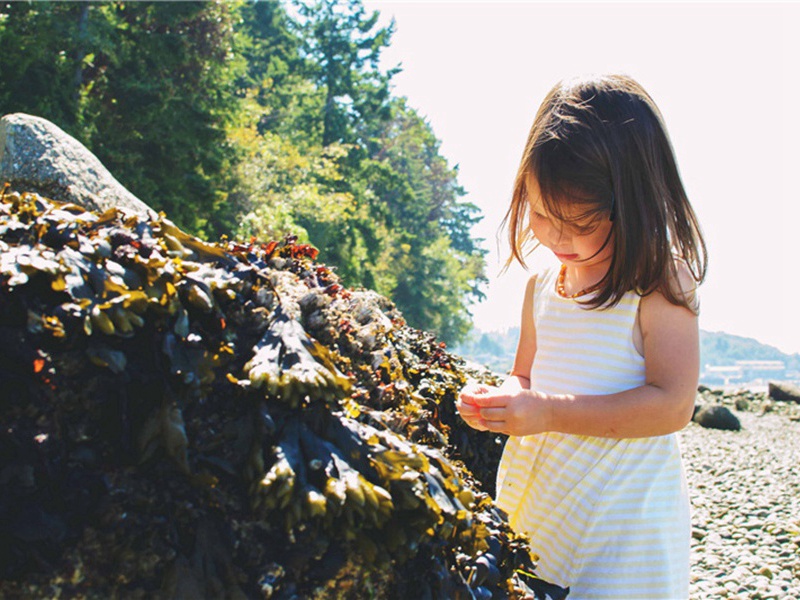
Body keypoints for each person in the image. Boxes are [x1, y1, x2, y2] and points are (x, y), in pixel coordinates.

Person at [457, 74, 707, 599]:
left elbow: (672, 405)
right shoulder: (542, 285)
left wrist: (547, 412)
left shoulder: (659, 281)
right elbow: (525, 374)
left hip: (625, 526)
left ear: (633, 203)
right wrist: (503, 399)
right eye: (543, 214)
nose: (556, 237)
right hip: (544, 507)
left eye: (580, 221)